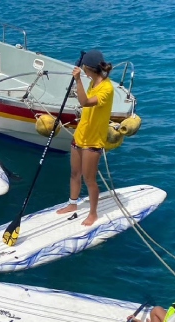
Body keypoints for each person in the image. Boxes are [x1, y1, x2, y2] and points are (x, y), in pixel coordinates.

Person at [56, 49, 114, 227]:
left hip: (93, 140)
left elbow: (85, 102)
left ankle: (93, 213)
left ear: (88, 69)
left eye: (84, 69)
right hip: (80, 135)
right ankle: (72, 204)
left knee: (89, 179)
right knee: (74, 173)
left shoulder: (107, 88)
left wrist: (78, 80)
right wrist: (81, 82)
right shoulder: (93, 84)